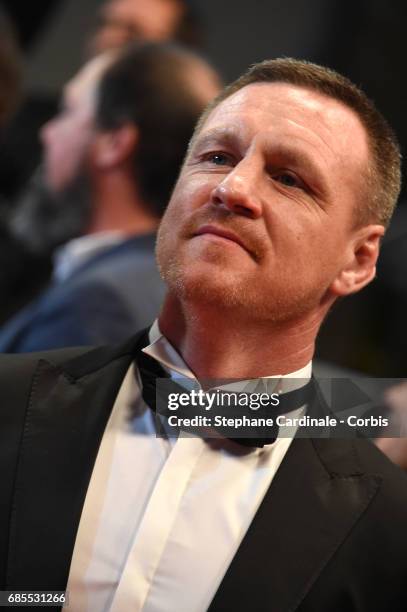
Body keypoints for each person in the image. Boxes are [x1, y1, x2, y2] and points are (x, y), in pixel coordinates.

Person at [0, 58, 406, 612]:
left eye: (289, 178)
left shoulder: (387, 529)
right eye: (217, 157)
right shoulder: (8, 402)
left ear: (357, 260)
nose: (234, 187)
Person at [0, 41, 220, 351]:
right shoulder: (148, 281)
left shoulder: (98, 306)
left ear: (115, 143)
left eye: (68, 112)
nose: (47, 132)